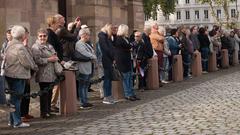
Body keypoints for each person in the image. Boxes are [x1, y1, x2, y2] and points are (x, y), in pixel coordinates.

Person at [5, 25, 37, 128]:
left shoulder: (9, 44)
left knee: (12, 100)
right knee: (17, 100)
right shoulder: (20, 47)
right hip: (18, 75)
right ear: (22, 36)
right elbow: (26, 63)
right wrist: (34, 67)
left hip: (10, 74)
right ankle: (17, 122)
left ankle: (12, 120)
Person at [32, 28, 59, 119]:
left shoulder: (49, 46)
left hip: (51, 73)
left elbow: (55, 55)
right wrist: (49, 59)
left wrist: (55, 58)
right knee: (44, 93)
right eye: (40, 36)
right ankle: (44, 113)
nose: (42, 38)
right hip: (43, 73)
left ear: (47, 37)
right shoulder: (35, 47)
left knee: (50, 92)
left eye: (44, 36)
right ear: (37, 36)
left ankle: (48, 110)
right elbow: (37, 60)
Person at [114, 24, 140, 101]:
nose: (127, 31)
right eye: (126, 30)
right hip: (122, 61)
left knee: (130, 78)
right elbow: (128, 46)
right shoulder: (118, 39)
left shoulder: (126, 38)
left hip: (128, 60)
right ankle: (128, 94)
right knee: (126, 78)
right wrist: (130, 47)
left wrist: (130, 47)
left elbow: (130, 46)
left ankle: (132, 93)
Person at [75, 28, 96, 109]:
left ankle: (86, 100)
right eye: (88, 34)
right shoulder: (79, 44)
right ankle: (83, 102)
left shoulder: (87, 44)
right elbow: (85, 53)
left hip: (88, 66)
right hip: (82, 67)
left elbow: (92, 52)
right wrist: (93, 57)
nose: (89, 36)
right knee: (82, 85)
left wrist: (92, 56)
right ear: (83, 35)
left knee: (86, 85)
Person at [46, 16, 63, 113]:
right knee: (55, 85)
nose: (59, 25)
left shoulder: (53, 33)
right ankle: (52, 104)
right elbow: (52, 49)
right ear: (52, 23)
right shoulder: (50, 33)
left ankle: (53, 104)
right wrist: (58, 60)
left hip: (58, 60)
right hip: (54, 61)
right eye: (57, 23)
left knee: (56, 85)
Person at [20, 27, 35, 122]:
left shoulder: (27, 45)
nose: (27, 35)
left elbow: (31, 57)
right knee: (22, 94)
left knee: (27, 94)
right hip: (22, 73)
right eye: (26, 33)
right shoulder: (20, 45)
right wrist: (24, 46)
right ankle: (21, 115)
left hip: (28, 73)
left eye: (27, 33)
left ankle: (25, 112)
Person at [98, 23, 115, 104]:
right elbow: (106, 49)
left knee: (109, 79)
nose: (112, 31)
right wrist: (113, 57)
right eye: (111, 29)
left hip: (109, 60)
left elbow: (113, 46)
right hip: (106, 60)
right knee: (107, 79)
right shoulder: (102, 37)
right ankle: (106, 96)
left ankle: (109, 95)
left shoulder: (106, 37)